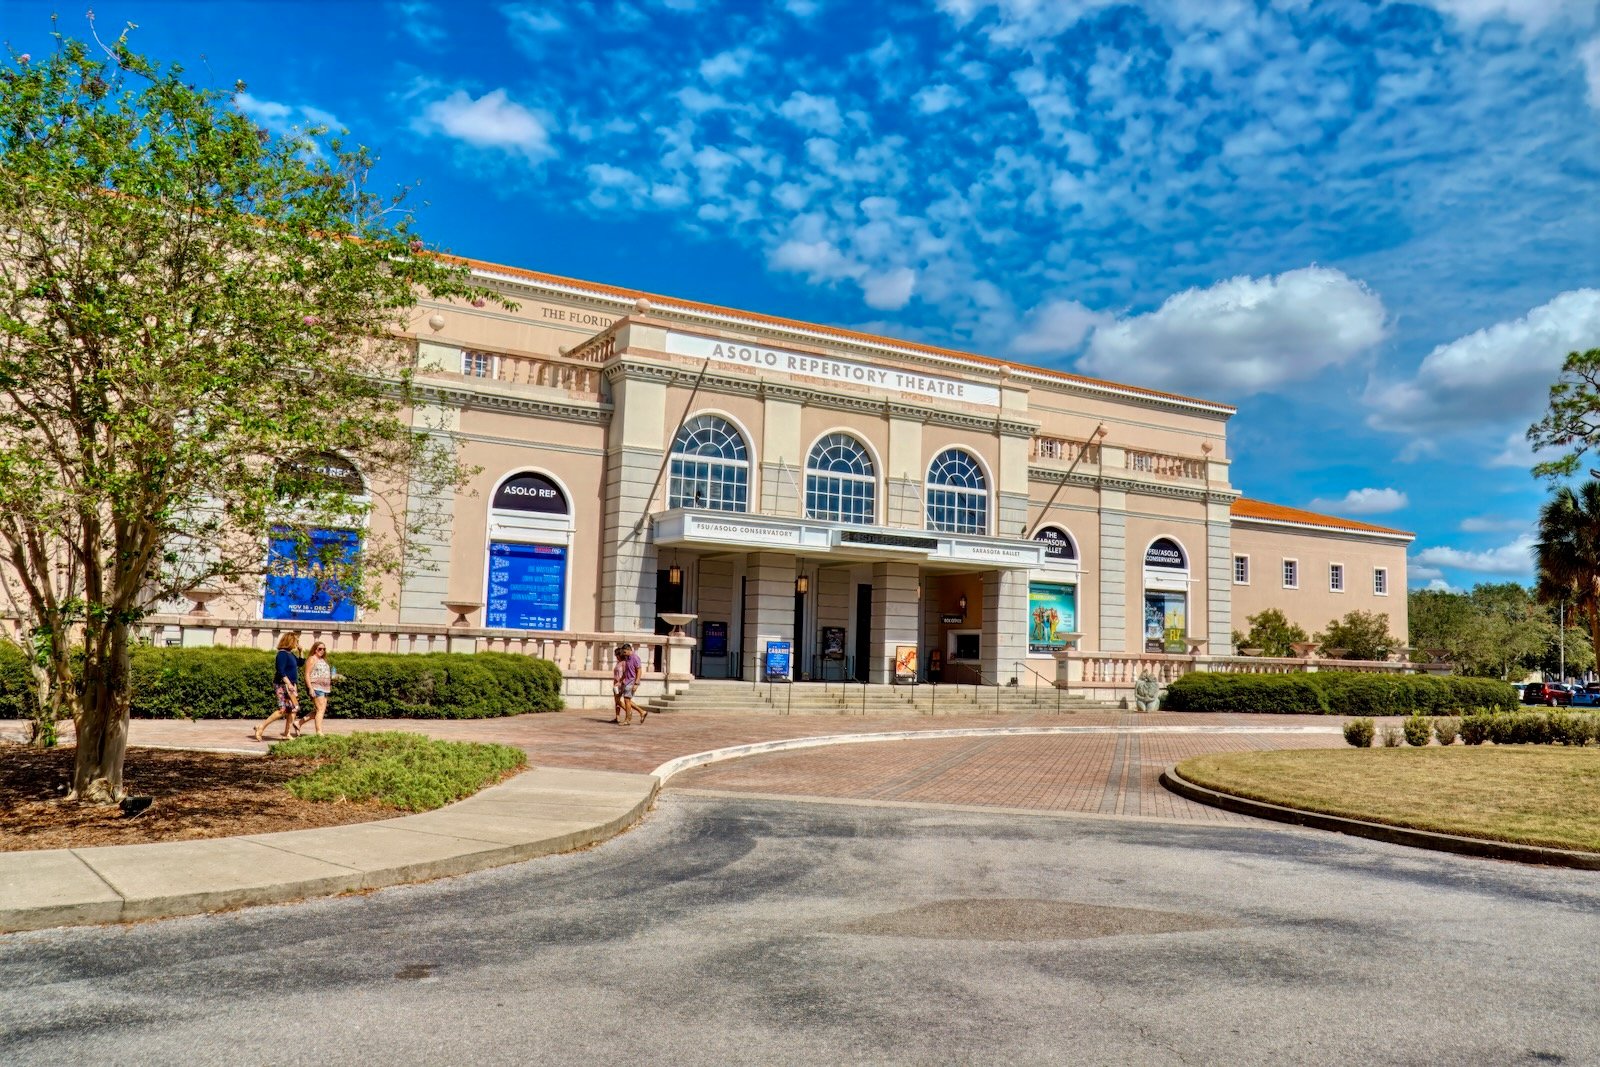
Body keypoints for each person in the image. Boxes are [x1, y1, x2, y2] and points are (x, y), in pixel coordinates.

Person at [255, 632, 303, 742]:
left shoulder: (290, 654)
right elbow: (280, 671)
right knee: (283, 709)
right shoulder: (282, 654)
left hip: (291, 685)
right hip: (282, 685)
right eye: (296, 641)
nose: (297, 643)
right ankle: (261, 727)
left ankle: (287, 733)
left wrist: (301, 651)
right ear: (290, 641)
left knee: (293, 709)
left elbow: (300, 663)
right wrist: (289, 684)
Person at [297, 641, 336, 735]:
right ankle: (319, 732)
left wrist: (335, 677)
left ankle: (298, 723)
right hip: (316, 687)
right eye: (320, 649)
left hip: (325, 688)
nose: (322, 651)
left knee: (320, 710)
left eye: (324, 649)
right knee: (320, 710)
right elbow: (306, 674)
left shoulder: (324, 660)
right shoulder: (312, 659)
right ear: (315, 649)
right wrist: (310, 688)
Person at [612, 642, 646, 725]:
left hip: (632, 681)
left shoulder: (635, 658)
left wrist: (636, 683)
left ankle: (628, 720)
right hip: (627, 681)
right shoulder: (627, 658)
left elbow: (639, 671)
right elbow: (626, 672)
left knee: (626, 700)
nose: (623, 654)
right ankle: (641, 712)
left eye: (624, 652)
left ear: (628, 650)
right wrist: (620, 681)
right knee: (627, 700)